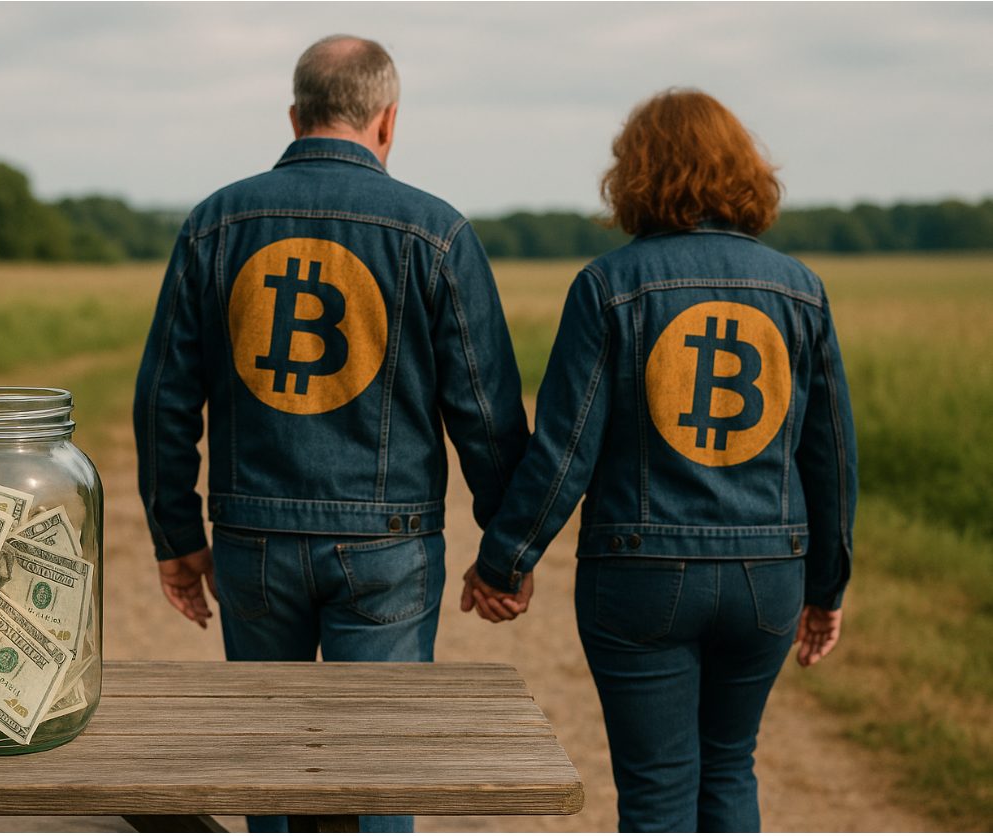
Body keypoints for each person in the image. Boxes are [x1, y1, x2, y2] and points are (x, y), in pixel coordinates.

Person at [133, 34, 528, 834]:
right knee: (377, 770)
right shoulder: (437, 231)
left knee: (274, 770)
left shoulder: (215, 222)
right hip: (390, 547)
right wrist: (506, 552)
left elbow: (164, 399)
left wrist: (177, 534)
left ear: (295, 114)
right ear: (387, 122)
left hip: (251, 539)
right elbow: (485, 415)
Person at [462, 88, 857, 832]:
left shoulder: (609, 286)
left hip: (639, 577)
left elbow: (565, 450)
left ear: (634, 175)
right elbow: (830, 455)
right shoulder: (801, 292)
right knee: (731, 768)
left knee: (656, 794)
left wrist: (505, 561)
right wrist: (827, 585)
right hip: (768, 576)